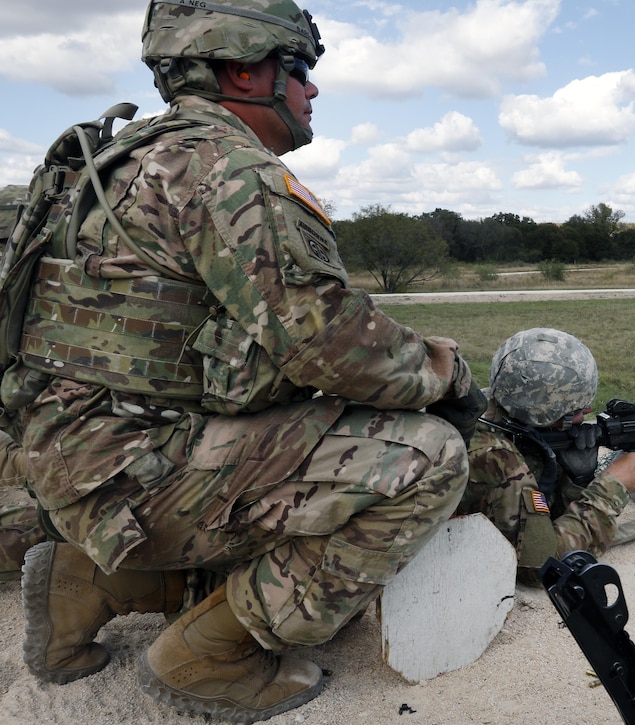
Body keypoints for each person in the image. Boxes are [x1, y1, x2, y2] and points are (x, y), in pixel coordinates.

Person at [3, 1, 485, 722]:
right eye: (300, 70)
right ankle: (212, 653)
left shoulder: (112, 160)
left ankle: (98, 580)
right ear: (243, 70)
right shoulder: (227, 169)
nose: (311, 91)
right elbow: (332, 341)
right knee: (426, 457)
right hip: (136, 472)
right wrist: (449, 375)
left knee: (304, 428)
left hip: (74, 457)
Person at [457, 328, 635, 583]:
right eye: (574, 410)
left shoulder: (498, 406)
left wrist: (577, 478)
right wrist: (611, 489)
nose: (584, 414)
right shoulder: (500, 461)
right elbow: (542, 565)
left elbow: (542, 519)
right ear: (542, 414)